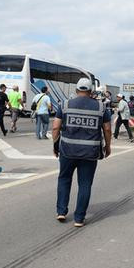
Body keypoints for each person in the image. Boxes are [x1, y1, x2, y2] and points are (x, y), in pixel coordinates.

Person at [52, 78, 112, 227]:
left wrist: (55, 145)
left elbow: (55, 127)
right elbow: (108, 129)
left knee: (64, 179)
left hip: (67, 151)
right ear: (91, 91)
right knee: (85, 184)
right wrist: (108, 146)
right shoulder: (101, 107)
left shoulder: (65, 104)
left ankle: (61, 211)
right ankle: (79, 218)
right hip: (90, 153)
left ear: (77, 90)